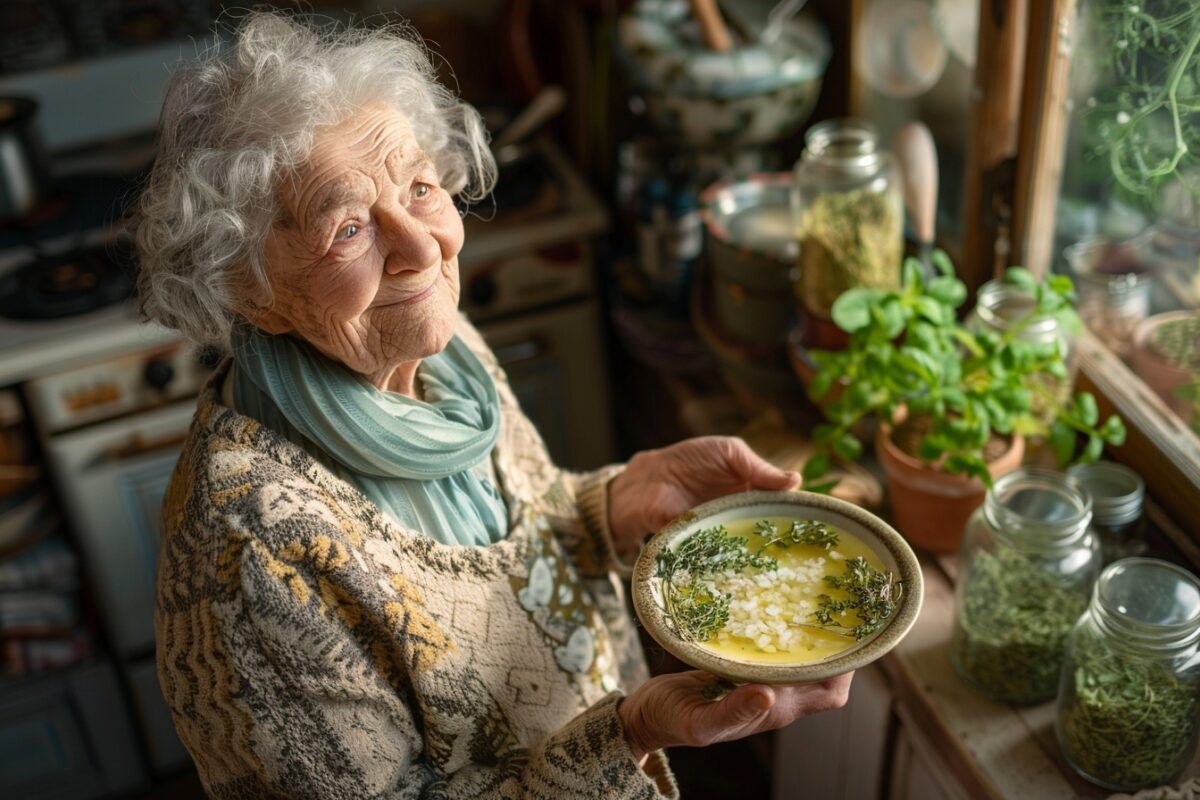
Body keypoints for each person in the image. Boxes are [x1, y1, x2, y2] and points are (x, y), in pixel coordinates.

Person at [137, 11, 852, 799]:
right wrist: (629, 735)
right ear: (252, 292)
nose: (422, 247)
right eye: (348, 227)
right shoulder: (250, 548)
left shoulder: (447, 351)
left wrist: (608, 505)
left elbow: (492, 560)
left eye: (419, 187)